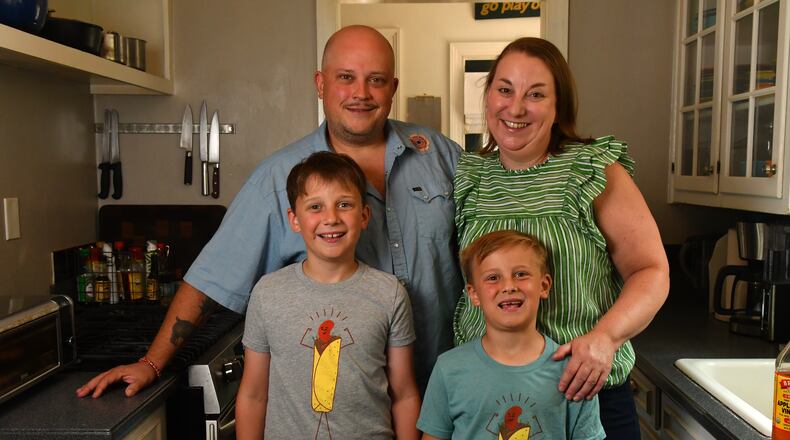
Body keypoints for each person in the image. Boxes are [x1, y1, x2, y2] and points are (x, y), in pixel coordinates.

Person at [76, 25, 462, 399]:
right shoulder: (279, 178)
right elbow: (212, 279)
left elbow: (494, 233)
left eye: (376, 79)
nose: (361, 93)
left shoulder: (438, 154)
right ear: (320, 84)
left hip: (448, 392)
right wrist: (152, 363)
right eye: (346, 77)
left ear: (393, 88)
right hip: (342, 407)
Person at [451, 37, 669, 438]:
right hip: (488, 399)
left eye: (535, 94)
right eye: (504, 89)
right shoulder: (469, 176)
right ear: (488, 97)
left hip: (584, 396)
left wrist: (606, 337)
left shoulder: (592, 170)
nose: (515, 108)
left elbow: (652, 270)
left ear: (558, 107)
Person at [236, 151, 420, 439]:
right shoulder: (267, 293)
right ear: (295, 220)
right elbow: (253, 395)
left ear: (364, 216)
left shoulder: (389, 294)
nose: (331, 218)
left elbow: (404, 395)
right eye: (315, 207)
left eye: (344, 205)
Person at [418, 230, 605, 440]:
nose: (508, 286)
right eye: (493, 278)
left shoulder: (574, 371)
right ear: (474, 294)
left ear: (544, 285)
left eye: (520, 274)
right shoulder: (448, 369)